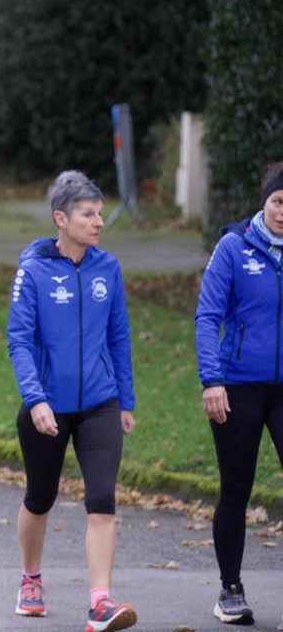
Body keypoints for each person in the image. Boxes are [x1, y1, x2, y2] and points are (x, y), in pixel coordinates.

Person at [6, 170, 137, 632]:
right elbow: (19, 340)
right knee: (40, 497)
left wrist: (125, 400)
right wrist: (35, 399)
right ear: (61, 219)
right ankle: (30, 580)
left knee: (102, 499)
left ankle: (100, 602)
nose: (99, 222)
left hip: (101, 402)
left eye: (99, 213)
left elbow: (118, 337)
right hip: (48, 406)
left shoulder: (108, 268)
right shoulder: (33, 271)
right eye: (88, 214)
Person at [194, 162, 283, 626]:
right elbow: (207, 316)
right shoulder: (233, 247)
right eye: (278, 201)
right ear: (264, 201)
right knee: (236, 489)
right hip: (237, 388)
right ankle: (230, 590)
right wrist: (212, 380)